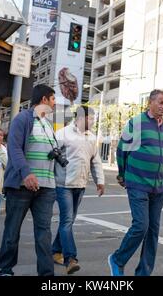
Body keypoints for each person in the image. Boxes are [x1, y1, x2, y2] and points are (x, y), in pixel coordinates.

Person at [0, 85, 58, 276]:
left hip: (46, 188)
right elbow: (14, 148)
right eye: (53, 99)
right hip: (21, 186)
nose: (55, 103)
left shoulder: (48, 124)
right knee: (12, 232)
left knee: (44, 235)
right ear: (44, 100)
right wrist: (26, 173)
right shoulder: (23, 119)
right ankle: (6, 270)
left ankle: (47, 275)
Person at [108, 89, 163, 276]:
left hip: (158, 187)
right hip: (137, 183)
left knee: (153, 232)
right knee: (141, 226)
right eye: (160, 102)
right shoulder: (136, 123)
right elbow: (121, 151)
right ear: (150, 102)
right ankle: (117, 259)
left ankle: (143, 272)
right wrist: (122, 174)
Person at [52, 106, 105, 275]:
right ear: (81, 117)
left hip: (80, 185)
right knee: (67, 220)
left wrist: (100, 181)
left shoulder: (91, 137)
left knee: (68, 221)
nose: (93, 121)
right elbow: (51, 155)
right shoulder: (63, 134)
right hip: (63, 185)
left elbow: (95, 161)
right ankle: (70, 259)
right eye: (91, 118)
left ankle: (55, 250)